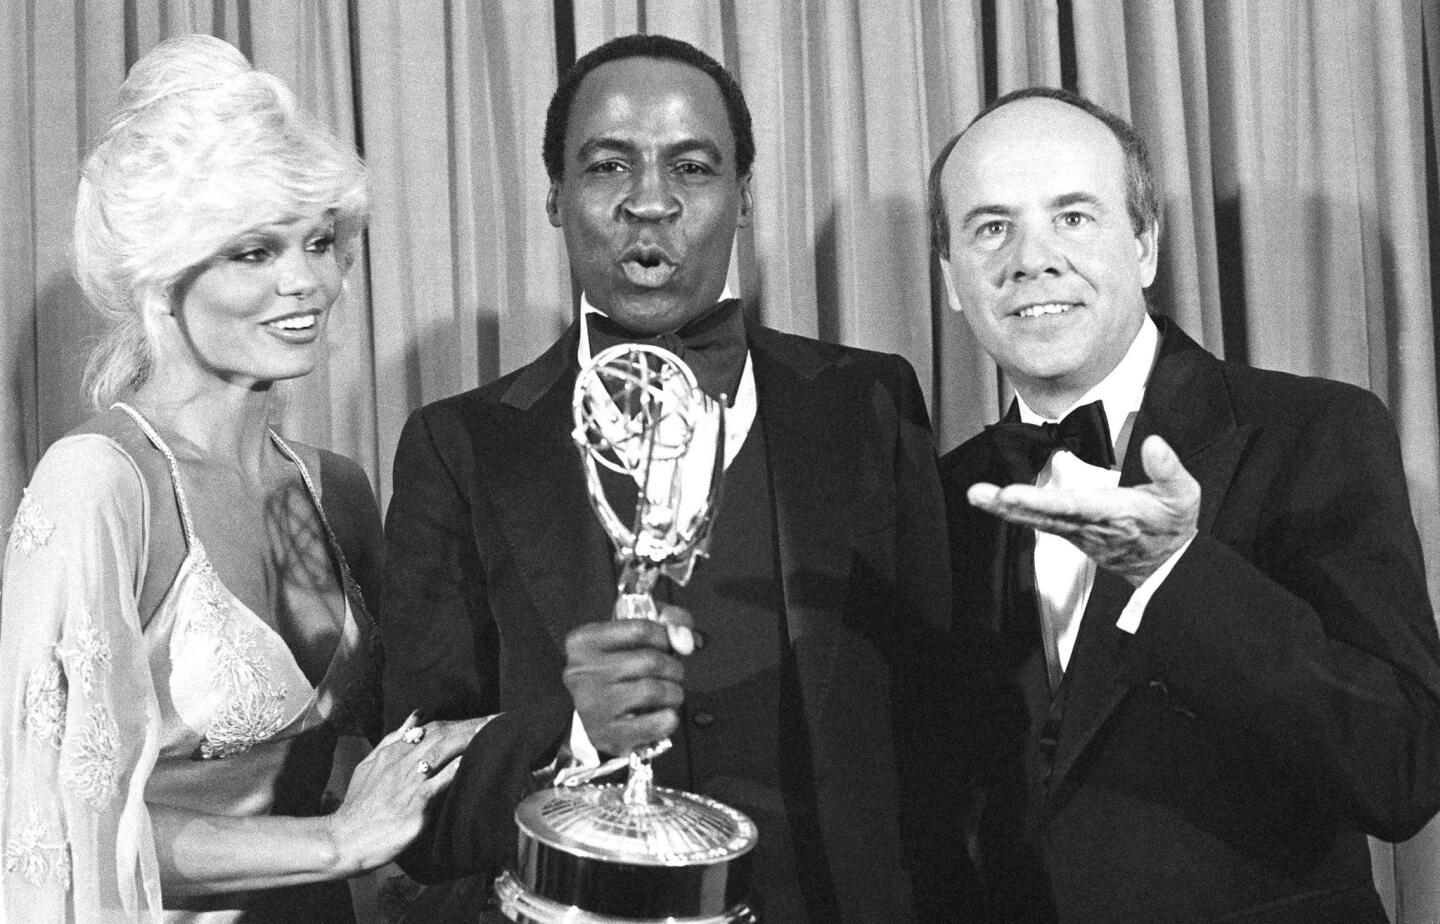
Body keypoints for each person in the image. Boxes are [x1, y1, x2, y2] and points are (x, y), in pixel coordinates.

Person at [380, 33, 968, 922]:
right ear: (554, 198)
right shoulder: (458, 445)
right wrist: (572, 733)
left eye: (691, 168)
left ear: (744, 200)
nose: (649, 202)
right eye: (609, 165)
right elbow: (415, 808)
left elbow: (946, 731)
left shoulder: (869, 402)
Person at [928, 86, 1440, 922]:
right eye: (991, 228)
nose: (1032, 260)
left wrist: (1175, 572)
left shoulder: (1313, 431)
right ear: (951, 279)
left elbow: (1403, 765)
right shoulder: (940, 495)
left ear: (1147, 244)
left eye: (1074, 217)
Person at [0, 35, 471, 923]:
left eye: (322, 241)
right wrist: (333, 843)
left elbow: (376, 757)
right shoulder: (98, 485)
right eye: (254, 251)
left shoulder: (338, 492)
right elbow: (59, 831)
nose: (308, 283)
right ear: (163, 273)